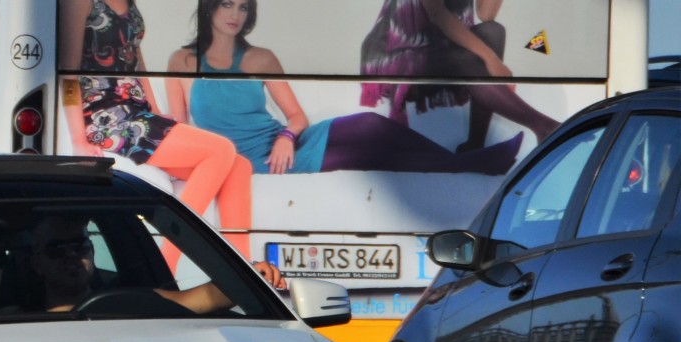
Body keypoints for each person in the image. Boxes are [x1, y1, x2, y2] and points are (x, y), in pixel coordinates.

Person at [167, 0, 522, 176]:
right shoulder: (181, 62)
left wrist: (286, 137)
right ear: (209, 7)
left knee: (370, 126)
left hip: (284, 145)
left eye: (244, 7)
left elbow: (296, 117)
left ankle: (467, 160)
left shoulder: (261, 58)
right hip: (254, 163)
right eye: (227, 3)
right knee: (366, 155)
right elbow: (179, 130)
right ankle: (471, 165)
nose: (235, 14)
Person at [59, 0, 254, 273]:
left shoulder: (130, 4)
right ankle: (166, 264)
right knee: (220, 150)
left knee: (239, 166)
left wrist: (156, 110)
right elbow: (68, 75)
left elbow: (138, 62)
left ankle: (243, 272)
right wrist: (79, 140)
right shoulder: (80, 3)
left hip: (138, 114)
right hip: (108, 117)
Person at [360, 0, 559, 150]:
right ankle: (542, 125)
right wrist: (492, 61)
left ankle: (475, 144)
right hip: (399, 52)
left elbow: (486, 14)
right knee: (465, 58)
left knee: (493, 31)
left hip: (439, 46)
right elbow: (437, 14)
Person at [23, 215, 282, 312]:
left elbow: (205, 298)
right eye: (57, 249)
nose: (71, 256)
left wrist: (251, 274)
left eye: (79, 246)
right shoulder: (16, 324)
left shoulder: (128, 302)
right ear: (37, 264)